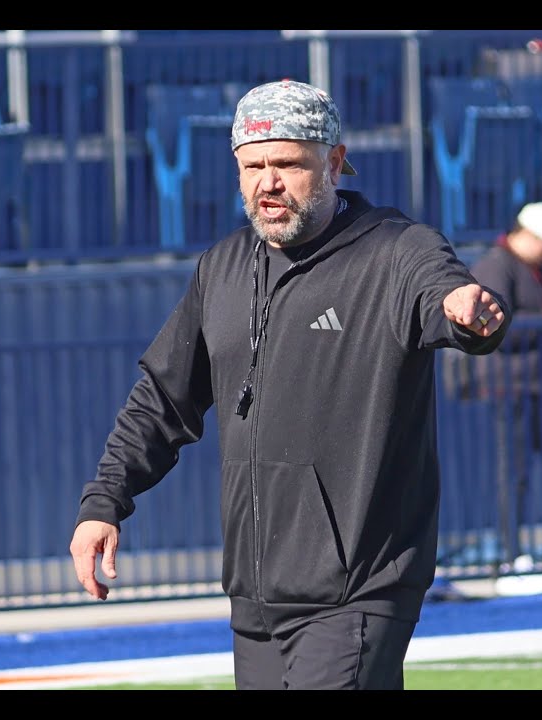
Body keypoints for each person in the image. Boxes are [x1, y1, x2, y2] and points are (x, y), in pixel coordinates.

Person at [68, 78, 511, 690]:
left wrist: (469, 314)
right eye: (252, 166)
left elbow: (443, 295)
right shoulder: (222, 266)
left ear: (333, 162)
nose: (267, 182)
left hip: (356, 591)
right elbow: (162, 399)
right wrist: (103, 504)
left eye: (287, 164)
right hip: (256, 602)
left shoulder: (397, 250)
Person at [467, 202, 542, 573]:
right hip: (513, 387)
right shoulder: (496, 265)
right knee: (515, 472)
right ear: (529, 236)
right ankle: (512, 555)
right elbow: (491, 325)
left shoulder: (531, 269)